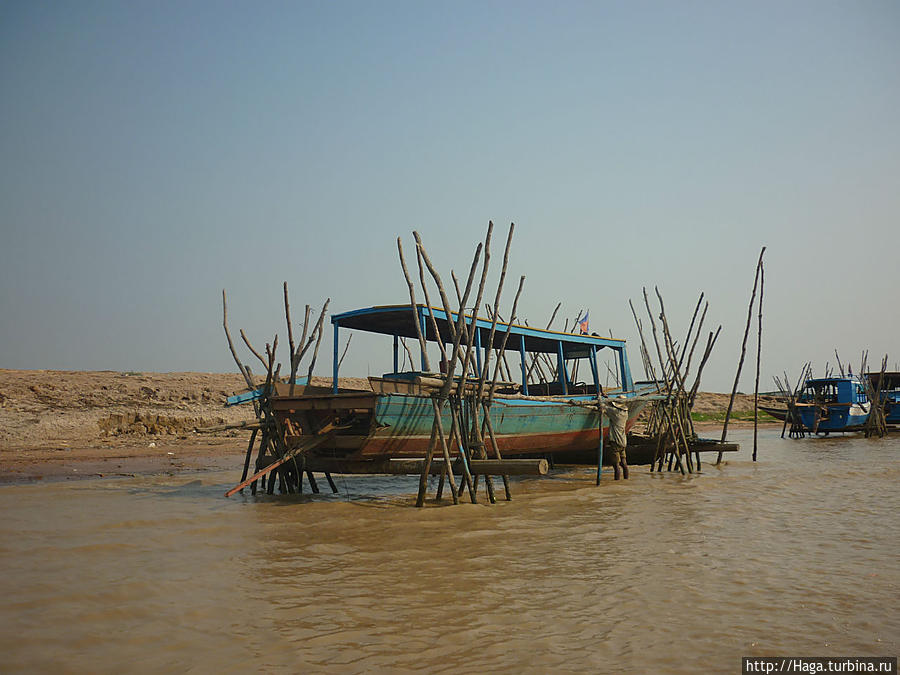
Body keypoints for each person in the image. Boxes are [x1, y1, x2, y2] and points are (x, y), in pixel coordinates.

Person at [605, 394, 629, 480]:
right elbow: (612, 406)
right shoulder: (625, 413)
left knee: (616, 465)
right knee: (624, 463)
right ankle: (626, 479)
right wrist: (607, 398)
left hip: (615, 441)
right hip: (623, 441)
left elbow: (603, 407)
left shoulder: (615, 413)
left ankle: (617, 481)